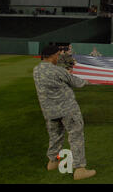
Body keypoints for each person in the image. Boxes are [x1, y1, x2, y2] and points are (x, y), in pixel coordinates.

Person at [33, 45, 96, 180]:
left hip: (49, 111)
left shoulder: (37, 70)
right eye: (58, 55)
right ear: (54, 55)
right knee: (76, 137)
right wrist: (90, 80)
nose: (59, 57)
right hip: (67, 109)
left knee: (55, 136)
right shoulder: (58, 71)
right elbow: (77, 82)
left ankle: (53, 162)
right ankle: (80, 169)